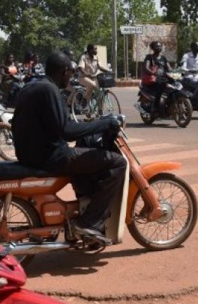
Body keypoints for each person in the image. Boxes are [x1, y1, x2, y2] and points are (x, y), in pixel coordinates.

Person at [12, 52, 126, 241]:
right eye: (71, 74)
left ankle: (81, 209)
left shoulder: (33, 86)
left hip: (28, 154)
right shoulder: (50, 90)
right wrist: (104, 124)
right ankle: (88, 223)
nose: (72, 78)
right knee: (117, 163)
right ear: (64, 71)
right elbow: (67, 130)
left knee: (84, 150)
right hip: (50, 157)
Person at [141, 41, 173, 114]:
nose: (159, 48)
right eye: (157, 46)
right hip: (154, 79)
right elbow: (146, 68)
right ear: (152, 48)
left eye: (160, 46)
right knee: (161, 85)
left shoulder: (163, 58)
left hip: (163, 78)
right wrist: (154, 73)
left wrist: (175, 72)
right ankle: (155, 106)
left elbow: (169, 68)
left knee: (174, 83)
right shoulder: (149, 57)